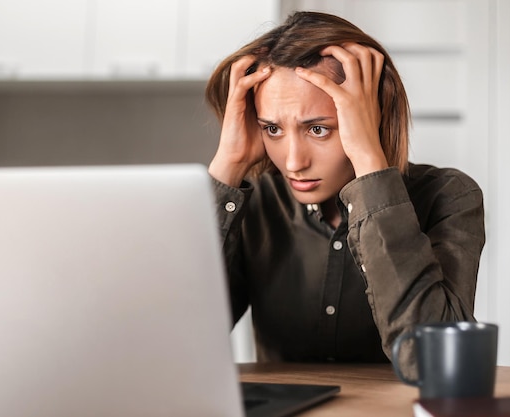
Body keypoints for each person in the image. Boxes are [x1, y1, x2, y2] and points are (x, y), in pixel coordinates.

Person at [205, 11, 485, 376]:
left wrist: (369, 159)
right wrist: (228, 163)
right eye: (272, 128)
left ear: (371, 117)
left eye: (319, 129)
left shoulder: (449, 196)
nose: (293, 161)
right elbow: (170, 346)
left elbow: (434, 364)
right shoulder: (256, 205)